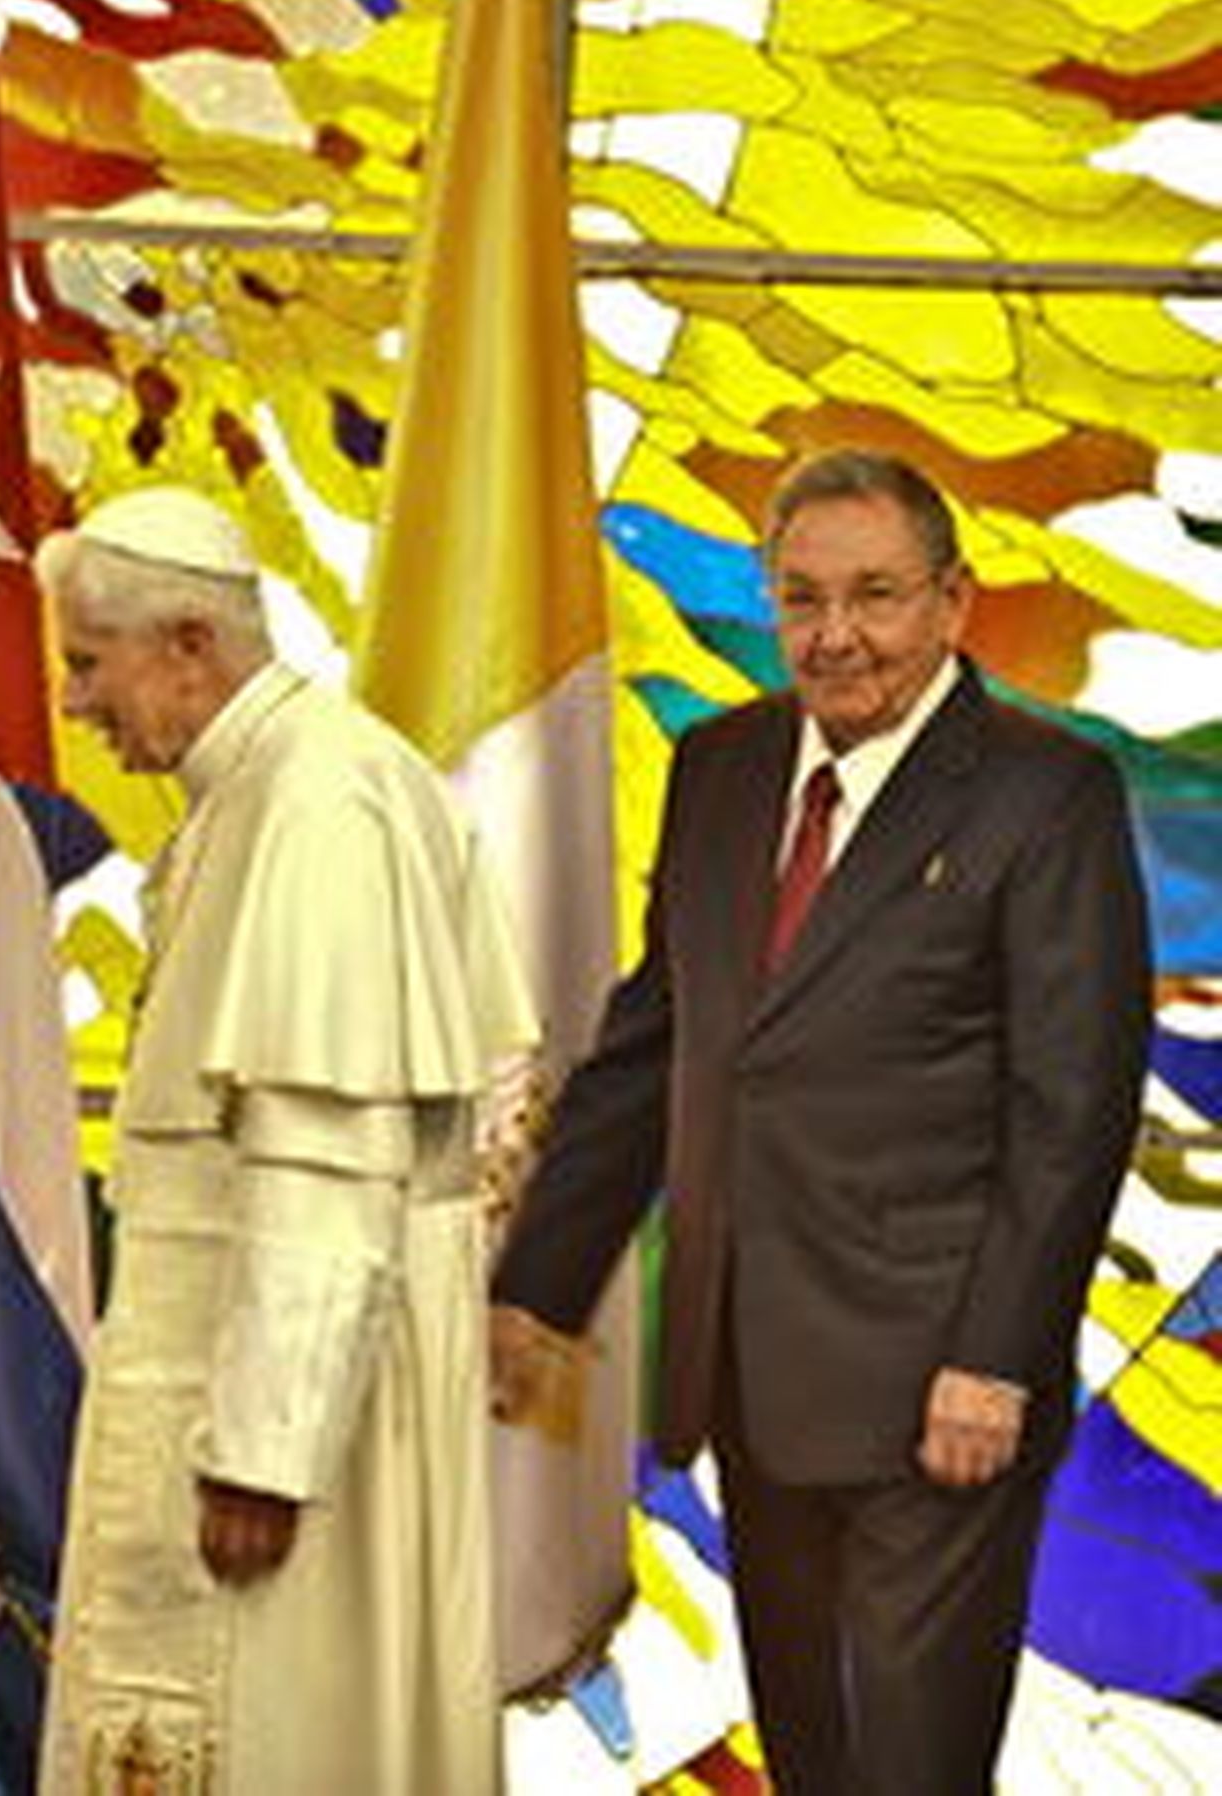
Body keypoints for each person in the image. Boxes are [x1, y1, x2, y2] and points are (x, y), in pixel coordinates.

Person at [490, 449, 1151, 1795]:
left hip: (940, 1387)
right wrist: (536, 1288)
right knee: (815, 1762)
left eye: (877, 597)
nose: (836, 635)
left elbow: (1071, 1110)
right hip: (746, 1369)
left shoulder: (1048, 793)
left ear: (954, 604)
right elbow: (656, 1042)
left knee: (910, 1768)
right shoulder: (721, 766)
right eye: (802, 599)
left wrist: (997, 1360)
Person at [35, 486, 534, 1795]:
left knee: (284, 1740)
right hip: (281, 1384)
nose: (76, 704)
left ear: (190, 645)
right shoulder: (282, 783)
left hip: (287, 1425)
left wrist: (265, 1448)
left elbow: (326, 1156)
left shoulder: (317, 804)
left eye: (90, 664)